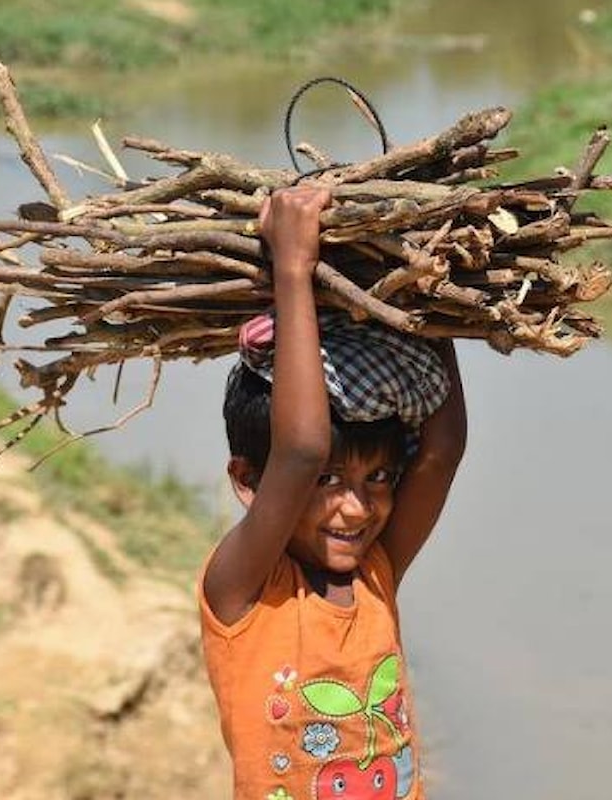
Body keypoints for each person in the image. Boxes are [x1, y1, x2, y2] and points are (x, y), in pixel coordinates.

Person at [198, 185, 467, 800]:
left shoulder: (376, 574)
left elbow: (441, 451)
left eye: (377, 478)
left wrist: (429, 282)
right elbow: (299, 450)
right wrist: (292, 270)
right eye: (329, 484)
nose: (358, 507)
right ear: (247, 482)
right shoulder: (241, 591)